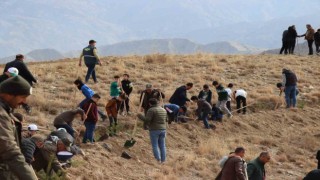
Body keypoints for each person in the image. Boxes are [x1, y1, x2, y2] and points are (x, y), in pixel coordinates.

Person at [0, 76, 38, 180]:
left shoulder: (5, 111)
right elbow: (10, 151)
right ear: (8, 95)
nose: (24, 101)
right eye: (22, 97)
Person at [138, 98, 167, 163]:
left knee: (155, 145)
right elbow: (166, 119)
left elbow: (147, 120)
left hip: (155, 130)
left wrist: (139, 116)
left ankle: (158, 160)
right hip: (163, 129)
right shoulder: (163, 109)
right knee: (162, 145)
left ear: (149, 103)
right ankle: (163, 160)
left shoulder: (151, 110)